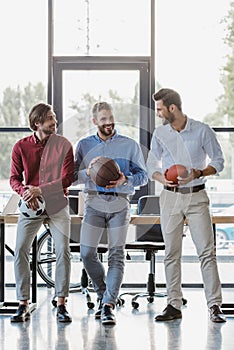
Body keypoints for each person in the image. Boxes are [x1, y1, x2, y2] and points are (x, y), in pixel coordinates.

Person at [146, 88, 226, 323]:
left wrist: (198, 173)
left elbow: (219, 162)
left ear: (172, 108)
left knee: (206, 253)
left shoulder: (202, 131)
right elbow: (152, 165)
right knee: (171, 253)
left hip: (197, 196)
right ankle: (173, 304)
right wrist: (164, 178)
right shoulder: (160, 133)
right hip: (170, 197)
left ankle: (214, 306)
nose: (158, 114)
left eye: (160, 109)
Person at [74, 101, 148, 325]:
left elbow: (143, 177)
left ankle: (107, 305)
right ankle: (104, 293)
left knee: (116, 254)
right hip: (94, 202)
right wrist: (88, 172)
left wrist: (127, 179)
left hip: (121, 202)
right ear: (95, 121)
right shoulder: (84, 145)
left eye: (111, 117)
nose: (109, 122)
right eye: (103, 119)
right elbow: (73, 176)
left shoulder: (129, 145)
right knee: (86, 253)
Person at [10, 103, 74, 323]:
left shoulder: (64, 144)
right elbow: (14, 178)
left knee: (63, 250)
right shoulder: (20, 147)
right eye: (49, 118)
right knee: (20, 250)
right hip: (32, 204)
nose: (54, 121)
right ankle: (23, 303)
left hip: (57, 205)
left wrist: (41, 189)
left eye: (54, 117)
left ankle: (62, 303)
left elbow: (67, 179)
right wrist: (25, 192)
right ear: (37, 122)